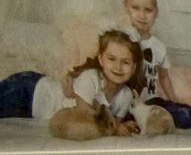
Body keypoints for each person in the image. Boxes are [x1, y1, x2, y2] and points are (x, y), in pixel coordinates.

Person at [0, 30, 172, 141]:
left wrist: (120, 127)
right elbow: (83, 116)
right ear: (101, 59)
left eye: (125, 62)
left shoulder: (126, 95)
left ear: (134, 67)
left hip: (34, 112)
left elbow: (111, 122)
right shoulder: (90, 78)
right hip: (30, 91)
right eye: (111, 59)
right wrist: (115, 129)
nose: (118, 67)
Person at [119, 0, 191, 126]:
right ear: (126, 7)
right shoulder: (122, 39)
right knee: (121, 112)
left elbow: (164, 77)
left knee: (187, 115)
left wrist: (173, 100)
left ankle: (150, 120)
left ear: (156, 11)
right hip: (128, 100)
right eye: (136, 8)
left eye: (148, 10)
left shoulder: (158, 46)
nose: (142, 15)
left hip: (152, 100)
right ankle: (136, 121)